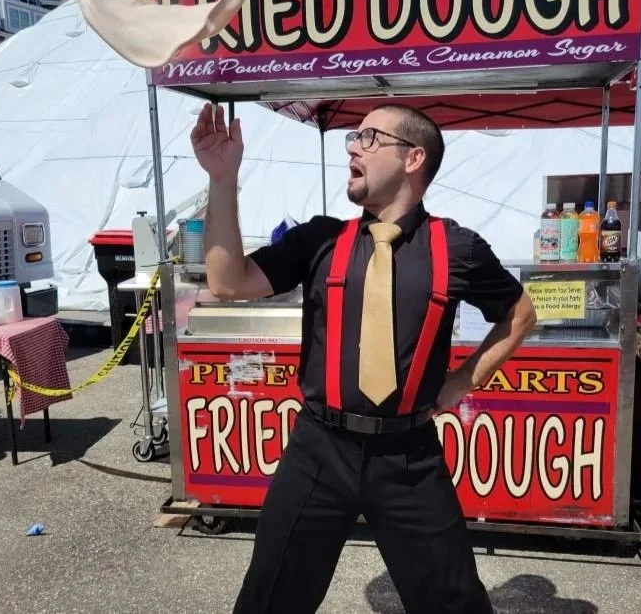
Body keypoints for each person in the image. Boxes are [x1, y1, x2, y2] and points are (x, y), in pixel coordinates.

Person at [191, 101, 537, 614]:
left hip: (408, 457)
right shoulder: (320, 239)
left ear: (413, 158)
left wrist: (462, 382)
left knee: (454, 603)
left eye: (371, 138)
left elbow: (520, 313)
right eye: (355, 136)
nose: (353, 146)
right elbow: (226, 282)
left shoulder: (458, 247)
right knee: (269, 599)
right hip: (317, 450)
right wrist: (223, 179)